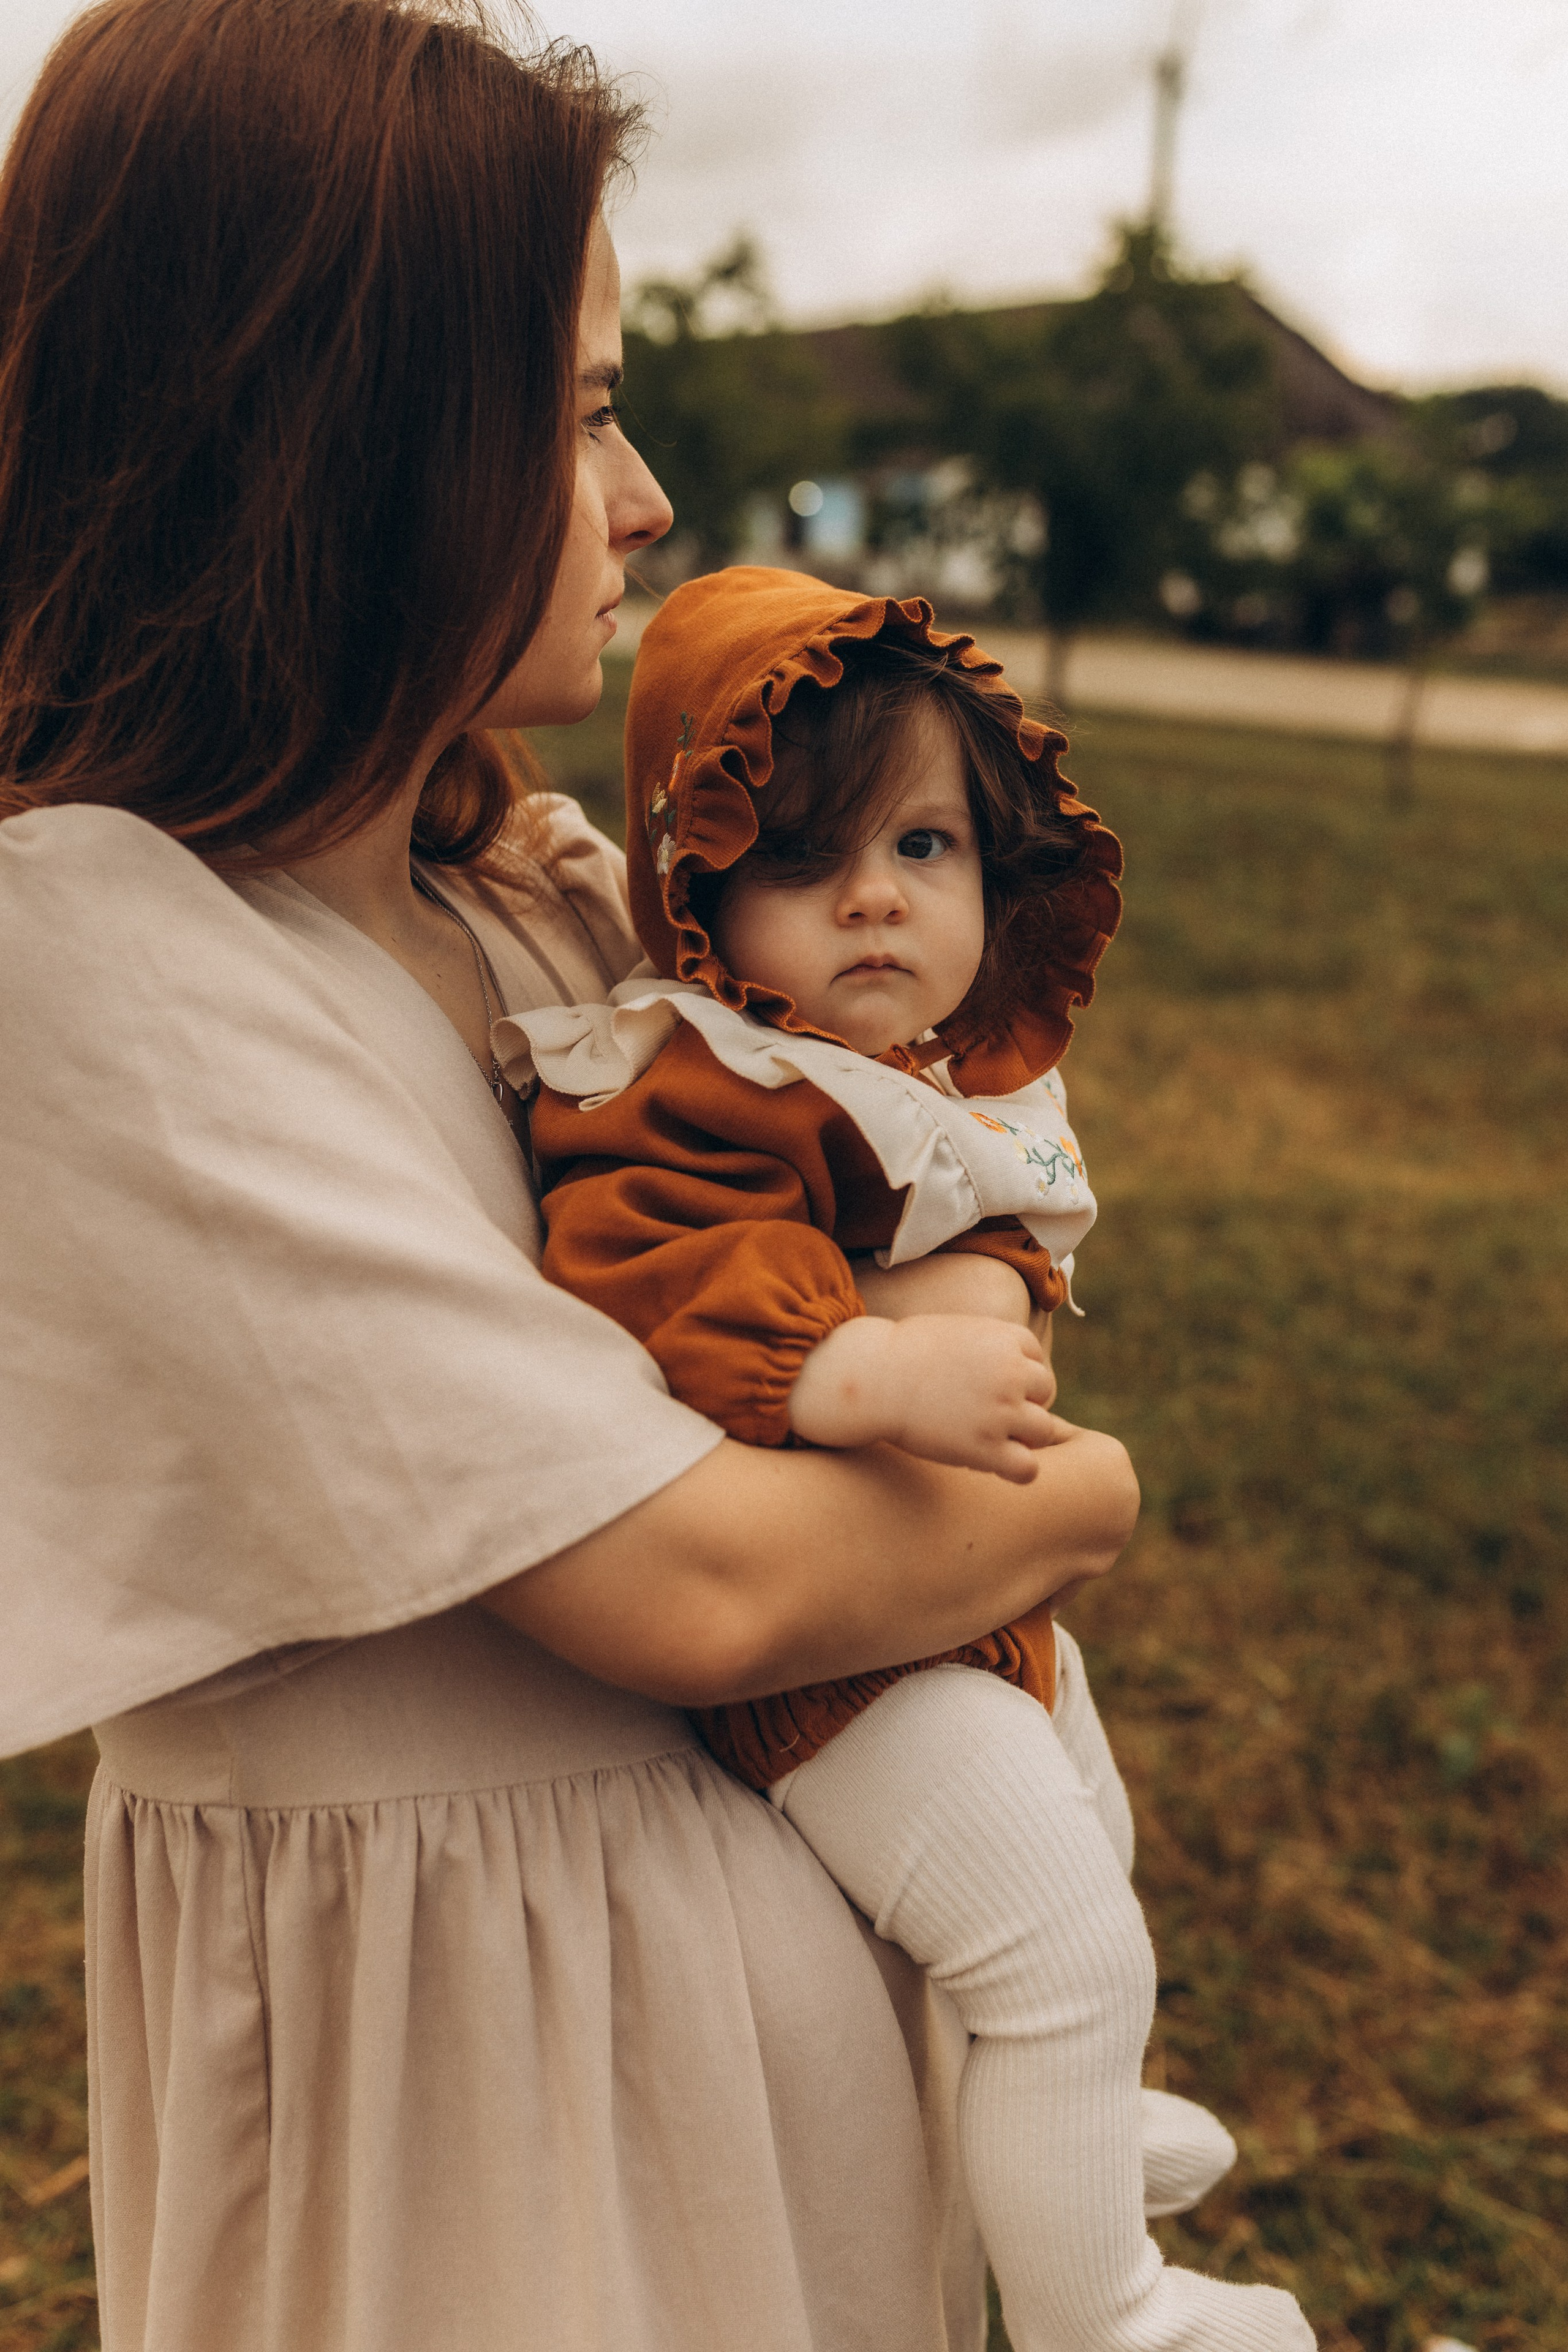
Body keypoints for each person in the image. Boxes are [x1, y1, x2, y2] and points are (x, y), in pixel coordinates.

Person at [0, 4, 1142, 2346]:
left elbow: (935, 1215)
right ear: (356, 432)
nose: (646, 502)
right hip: (476, 2141)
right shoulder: (94, 948)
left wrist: (972, 1351)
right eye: (592, 406)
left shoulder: (526, 892)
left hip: (773, 2075)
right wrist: (1077, 1502)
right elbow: (703, 1592)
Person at [498, 567, 1317, 2352]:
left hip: (951, 1618)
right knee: (1056, 1945)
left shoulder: (914, 1076)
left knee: (1090, 1869)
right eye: (806, 860)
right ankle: (1106, 2310)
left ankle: (1072, 2124)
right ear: (697, 888)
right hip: (836, 1663)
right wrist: (851, 1368)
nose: (875, 900)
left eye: (926, 849)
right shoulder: (701, 1076)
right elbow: (647, 1259)